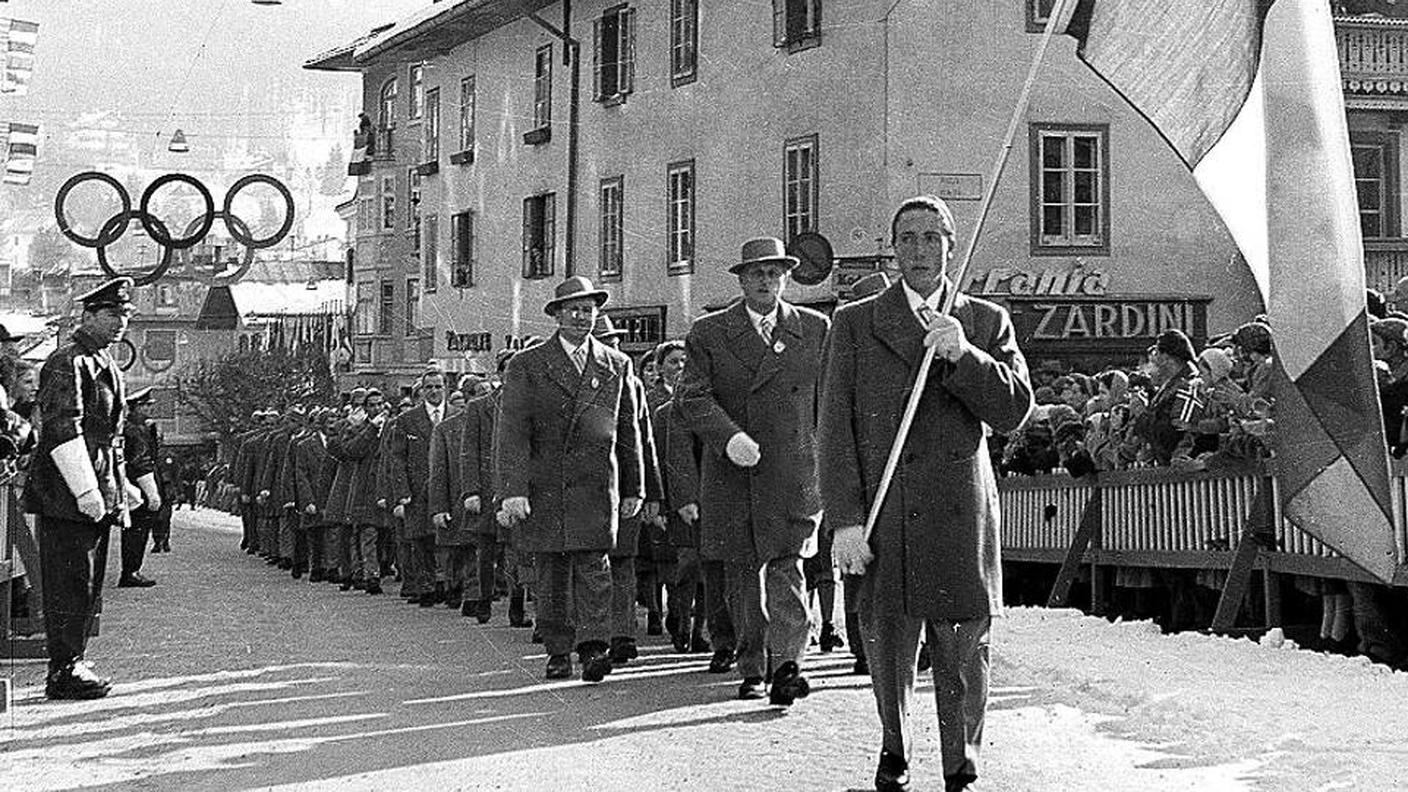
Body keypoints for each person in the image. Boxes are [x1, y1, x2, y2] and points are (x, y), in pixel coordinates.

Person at [820, 196, 1034, 791]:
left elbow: (1015, 410)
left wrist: (964, 355)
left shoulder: (986, 321)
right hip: (886, 508)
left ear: (952, 246)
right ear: (893, 249)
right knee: (889, 641)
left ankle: (961, 760)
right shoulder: (857, 322)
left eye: (932, 237)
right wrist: (844, 520)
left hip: (960, 510)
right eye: (908, 238)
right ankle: (896, 746)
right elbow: (834, 428)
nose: (920, 250)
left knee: (963, 643)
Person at [676, 236, 831, 706]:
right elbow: (692, 397)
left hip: (792, 472)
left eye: (775, 273)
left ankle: (788, 666)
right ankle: (751, 666)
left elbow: (829, 402)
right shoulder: (709, 333)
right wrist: (729, 438)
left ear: (787, 278)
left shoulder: (814, 329)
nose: (767, 281)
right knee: (744, 576)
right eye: (757, 273)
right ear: (742, 280)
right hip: (734, 473)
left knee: (788, 569)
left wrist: (826, 463)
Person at [496, 276, 644, 683]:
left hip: (596, 484)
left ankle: (594, 647)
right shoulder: (528, 365)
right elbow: (513, 432)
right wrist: (512, 490)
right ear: (557, 316)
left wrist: (634, 487)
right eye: (573, 310)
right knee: (553, 573)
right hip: (547, 486)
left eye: (588, 310)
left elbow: (628, 430)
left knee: (596, 570)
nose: (581, 317)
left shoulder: (616, 364)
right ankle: (558, 650)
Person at [27, 277, 141, 700]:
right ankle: (63, 669)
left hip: (91, 488)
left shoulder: (100, 361)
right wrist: (84, 489)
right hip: (66, 494)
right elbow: (63, 428)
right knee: (69, 581)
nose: (119, 323)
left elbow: (108, 437)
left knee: (86, 581)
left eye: (125, 316)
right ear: (88, 315)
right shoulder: (68, 361)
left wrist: (120, 486)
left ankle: (73, 659)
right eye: (111, 314)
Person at [387, 368, 448, 606]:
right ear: (421, 391)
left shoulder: (457, 415)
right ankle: (426, 587)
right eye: (429, 387)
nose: (434, 391)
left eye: (438, 386)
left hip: (447, 488)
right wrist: (402, 492)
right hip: (418, 490)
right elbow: (397, 459)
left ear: (445, 388)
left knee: (447, 539)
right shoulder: (407, 420)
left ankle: (447, 584)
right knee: (421, 541)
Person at [118, 386, 162, 587]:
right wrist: (152, 493)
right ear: (135, 407)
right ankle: (131, 572)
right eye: (145, 406)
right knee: (137, 531)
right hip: (139, 486)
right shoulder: (136, 431)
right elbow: (141, 462)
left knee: (134, 530)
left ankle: (131, 570)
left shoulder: (131, 427)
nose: (149, 409)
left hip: (131, 484)